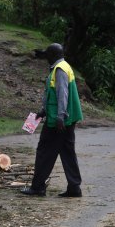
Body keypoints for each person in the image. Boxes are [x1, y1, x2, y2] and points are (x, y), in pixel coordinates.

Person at [21, 43, 83, 198]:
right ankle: (74, 188)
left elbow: (63, 93)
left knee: (44, 151)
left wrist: (60, 115)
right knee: (67, 152)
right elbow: (53, 93)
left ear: (54, 55)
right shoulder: (63, 66)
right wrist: (44, 111)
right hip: (65, 119)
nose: (46, 57)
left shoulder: (60, 69)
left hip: (59, 120)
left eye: (48, 54)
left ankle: (38, 187)